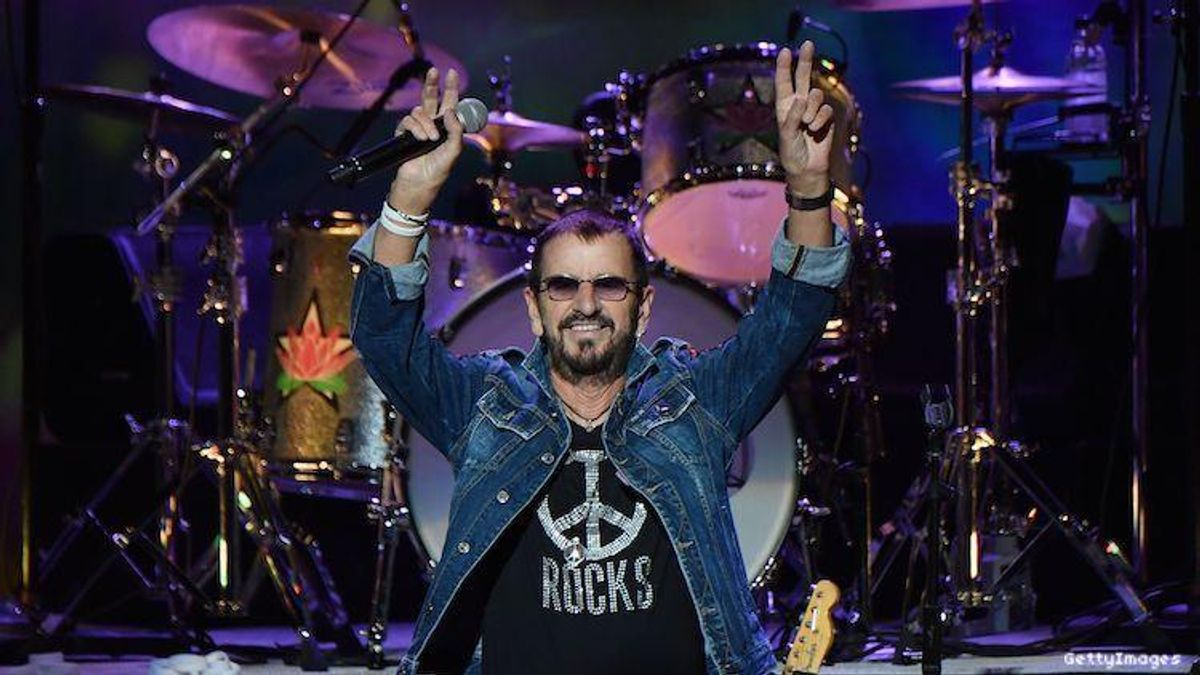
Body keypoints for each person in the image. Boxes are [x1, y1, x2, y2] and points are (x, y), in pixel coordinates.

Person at [349, 40, 850, 675]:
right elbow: (383, 336)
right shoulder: (483, 405)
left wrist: (807, 190)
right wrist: (409, 199)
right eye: (563, 286)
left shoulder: (695, 401)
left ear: (643, 307)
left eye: (609, 285)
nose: (586, 304)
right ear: (535, 308)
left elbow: (793, 316)